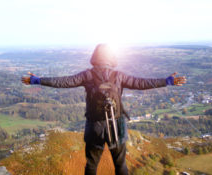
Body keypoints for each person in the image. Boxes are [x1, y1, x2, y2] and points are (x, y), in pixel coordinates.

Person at [21, 44, 186, 175]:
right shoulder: (119, 76)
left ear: (94, 57)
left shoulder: (87, 75)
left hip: (94, 125)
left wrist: (37, 80)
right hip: (117, 124)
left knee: (92, 164)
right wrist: (167, 81)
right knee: (120, 164)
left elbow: (63, 82)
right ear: (111, 58)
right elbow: (142, 83)